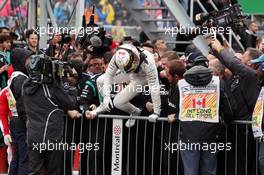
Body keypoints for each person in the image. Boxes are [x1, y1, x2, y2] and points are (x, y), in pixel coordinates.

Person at [177, 51, 233, 175]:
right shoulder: (219, 82)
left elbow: (176, 108)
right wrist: (226, 121)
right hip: (211, 134)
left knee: (190, 172)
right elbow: (229, 109)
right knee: (209, 172)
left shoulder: (181, 84)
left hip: (188, 135)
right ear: (206, 65)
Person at [22, 55, 80, 175]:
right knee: (53, 171)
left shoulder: (25, 86)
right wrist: (72, 86)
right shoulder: (50, 89)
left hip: (33, 137)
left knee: (35, 171)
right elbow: (71, 103)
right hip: (51, 138)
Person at [87, 44, 161, 128]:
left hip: (141, 78)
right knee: (100, 80)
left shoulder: (149, 62)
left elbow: (155, 87)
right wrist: (106, 96)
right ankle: (104, 105)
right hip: (126, 72)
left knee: (118, 102)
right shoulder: (116, 57)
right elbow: (109, 75)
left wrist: (156, 112)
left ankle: (135, 112)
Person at [8, 48, 34, 175]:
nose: (29, 62)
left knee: (17, 157)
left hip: (15, 120)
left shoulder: (16, 76)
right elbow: (23, 102)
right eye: (27, 60)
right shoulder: (20, 79)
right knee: (23, 158)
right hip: (20, 120)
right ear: (19, 61)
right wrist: (27, 121)